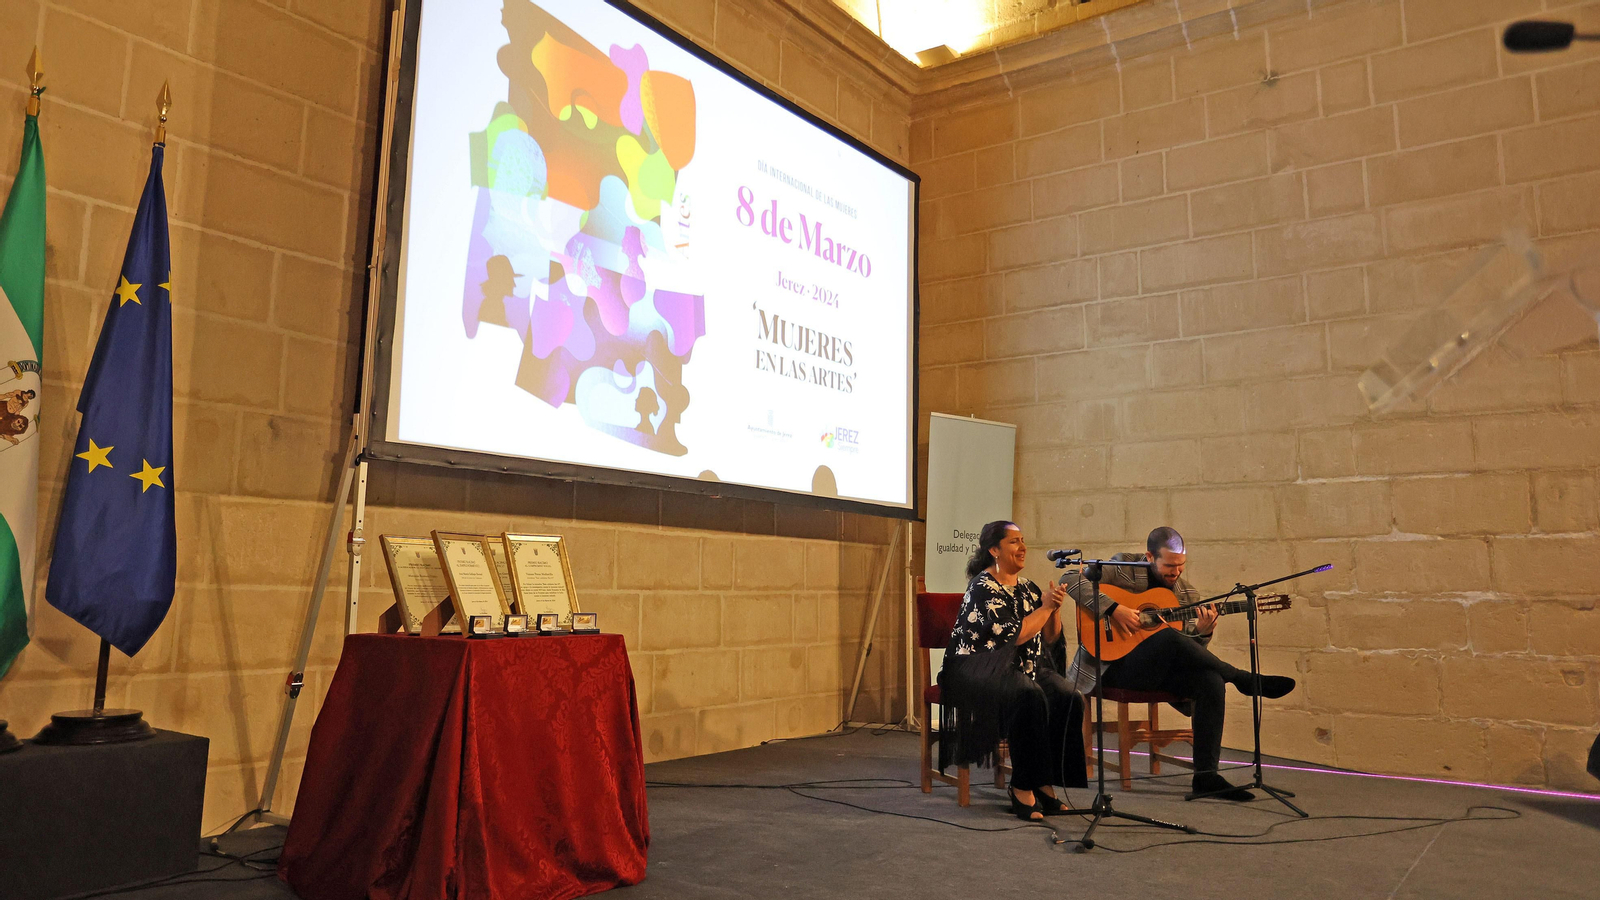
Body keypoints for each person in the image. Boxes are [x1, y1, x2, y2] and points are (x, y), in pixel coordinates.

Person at [1065, 526, 1296, 801]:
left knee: (1211, 680)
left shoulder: (1187, 594)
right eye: (1169, 566)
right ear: (1150, 557)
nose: (1176, 572)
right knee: (1167, 636)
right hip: (1111, 666)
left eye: (1181, 565)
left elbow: (1191, 654)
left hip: (1156, 670)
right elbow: (1069, 578)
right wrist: (1115, 609)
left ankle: (1206, 777)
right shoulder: (1124, 566)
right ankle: (1242, 678)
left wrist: (1202, 632)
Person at [938, 521, 1087, 821]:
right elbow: (1013, 635)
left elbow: (1049, 638)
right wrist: (1045, 608)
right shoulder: (982, 587)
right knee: (1028, 695)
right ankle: (1021, 787)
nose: (1023, 547)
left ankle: (1045, 782)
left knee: (1068, 696)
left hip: (1021, 666)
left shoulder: (1028, 587)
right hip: (977, 668)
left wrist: (1054, 610)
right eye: (1014, 542)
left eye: (1023, 540)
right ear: (994, 550)